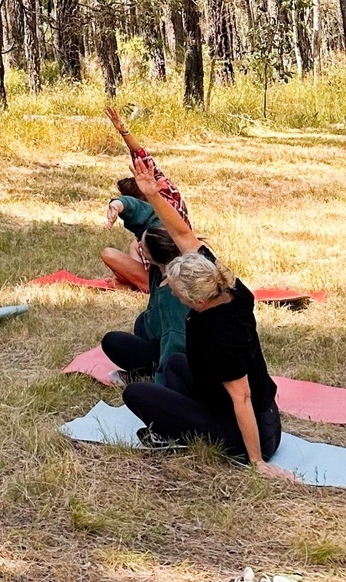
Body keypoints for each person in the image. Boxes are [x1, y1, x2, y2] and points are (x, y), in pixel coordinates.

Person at [117, 158, 296, 482]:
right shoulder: (230, 286)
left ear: (198, 302)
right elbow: (182, 232)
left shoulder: (219, 336)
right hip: (252, 408)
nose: (170, 288)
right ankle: (187, 419)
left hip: (250, 434)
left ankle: (185, 436)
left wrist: (257, 463)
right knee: (173, 366)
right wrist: (153, 195)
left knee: (136, 395)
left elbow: (241, 398)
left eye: (177, 290)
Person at [99, 108, 191, 292]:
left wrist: (118, 205)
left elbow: (132, 204)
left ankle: (142, 286)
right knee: (135, 244)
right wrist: (123, 131)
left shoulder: (156, 211)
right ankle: (139, 283)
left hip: (170, 275)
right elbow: (142, 156)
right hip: (175, 266)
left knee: (113, 252)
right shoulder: (170, 193)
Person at [99, 226, 190, 383]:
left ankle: (150, 370)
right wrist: (122, 205)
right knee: (141, 321)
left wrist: (161, 382)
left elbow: (176, 343)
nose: (138, 244)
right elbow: (144, 221)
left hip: (176, 351)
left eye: (142, 246)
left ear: (153, 256)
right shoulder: (160, 268)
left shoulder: (173, 296)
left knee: (112, 341)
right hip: (157, 334)